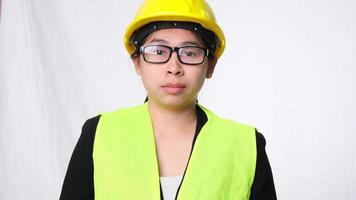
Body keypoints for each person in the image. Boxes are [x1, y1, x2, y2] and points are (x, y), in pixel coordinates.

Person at [60, 0, 277, 199]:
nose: (174, 68)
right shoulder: (99, 133)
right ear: (137, 62)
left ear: (210, 65)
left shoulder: (246, 144)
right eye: (158, 51)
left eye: (190, 52)